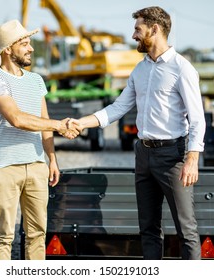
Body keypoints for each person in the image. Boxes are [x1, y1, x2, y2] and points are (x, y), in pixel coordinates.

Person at [72, 6, 206, 260]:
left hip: (172, 157)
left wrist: (192, 159)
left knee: (186, 230)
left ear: (155, 29)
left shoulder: (182, 68)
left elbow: (197, 118)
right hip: (143, 155)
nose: (133, 35)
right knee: (148, 229)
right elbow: (118, 108)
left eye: (138, 29)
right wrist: (81, 123)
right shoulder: (140, 70)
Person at [0, 19, 78, 260]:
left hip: (36, 166)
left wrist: (52, 160)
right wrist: (59, 125)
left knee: (37, 234)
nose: (31, 48)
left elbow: (42, 121)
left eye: (29, 43)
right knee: (4, 235)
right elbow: (17, 118)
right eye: (24, 43)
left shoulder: (36, 80)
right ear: (7, 50)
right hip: (5, 167)